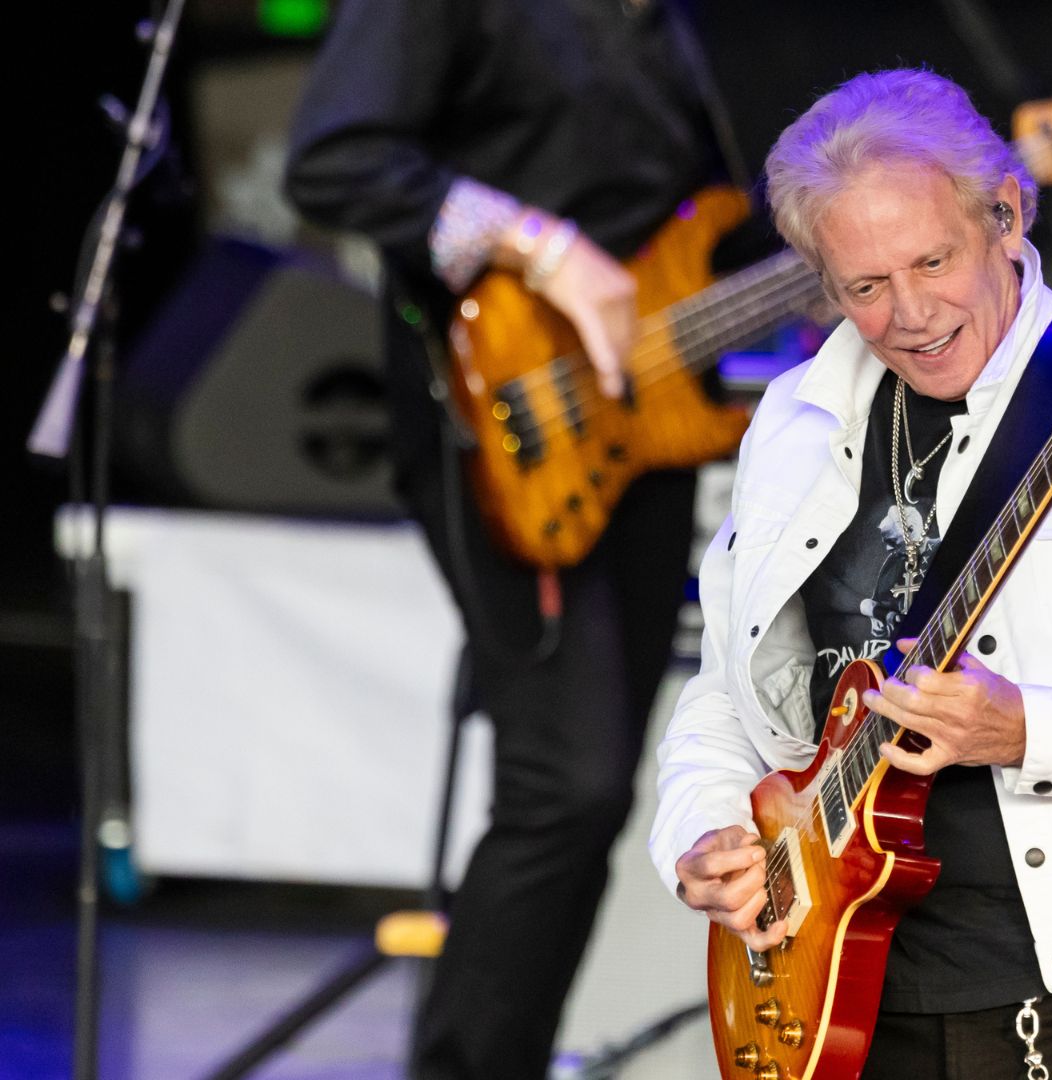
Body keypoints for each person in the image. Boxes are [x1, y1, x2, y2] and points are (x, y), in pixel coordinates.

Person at [649, 68, 1052, 1077]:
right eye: (865, 287)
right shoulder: (791, 421)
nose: (911, 312)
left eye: (934, 260)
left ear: (1005, 214)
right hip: (856, 990)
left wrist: (1027, 729)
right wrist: (703, 835)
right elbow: (723, 697)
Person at [282, 1, 757, 1075]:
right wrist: (539, 246)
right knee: (567, 783)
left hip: (644, 418)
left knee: (592, 793)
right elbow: (335, 158)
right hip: (502, 415)